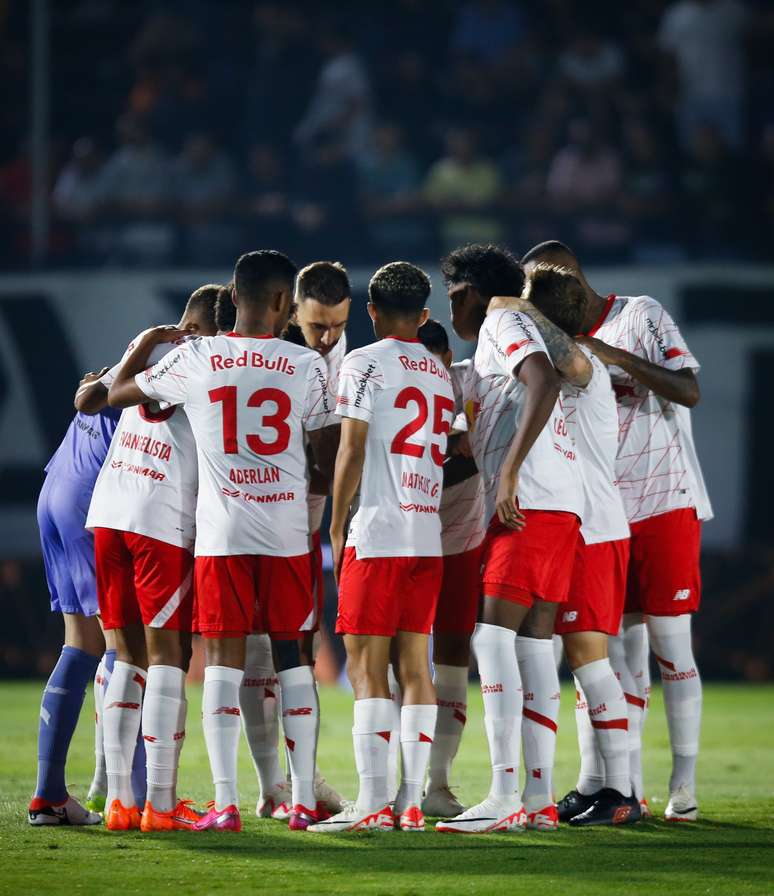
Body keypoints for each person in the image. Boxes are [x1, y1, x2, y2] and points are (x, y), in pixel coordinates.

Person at [108, 251, 340, 833]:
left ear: (234, 298)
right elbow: (327, 454)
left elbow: (117, 395)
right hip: (288, 533)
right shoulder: (307, 365)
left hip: (223, 533)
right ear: (287, 304)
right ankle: (302, 801)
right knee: (294, 662)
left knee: (222, 666)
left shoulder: (197, 356)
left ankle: (226, 803)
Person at [521, 240, 712, 822]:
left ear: (572, 280)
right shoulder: (551, 341)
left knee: (670, 646)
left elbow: (689, 391)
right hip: (603, 513)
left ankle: (684, 784)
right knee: (608, 654)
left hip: (663, 499)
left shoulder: (641, 313)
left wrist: (617, 358)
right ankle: (606, 783)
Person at [436, 244, 583, 834]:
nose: (451, 310)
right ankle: (540, 800)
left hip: (532, 499)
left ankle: (501, 795)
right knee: (531, 648)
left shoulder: (501, 319)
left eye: (452, 297)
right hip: (558, 502)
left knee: (491, 640)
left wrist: (513, 471)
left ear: (470, 290)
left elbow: (543, 378)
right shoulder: (491, 344)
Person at [490, 265, 639, 826]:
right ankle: (594, 785)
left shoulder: (586, 369)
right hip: (576, 527)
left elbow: (569, 357)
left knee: (588, 660)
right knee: (571, 661)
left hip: (597, 529)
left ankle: (622, 791)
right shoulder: (558, 369)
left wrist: (520, 311)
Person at [309, 262, 455, 833]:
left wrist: (337, 522)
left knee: (367, 669)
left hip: (379, 530)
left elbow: (351, 448)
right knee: (415, 668)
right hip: (426, 537)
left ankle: (370, 804)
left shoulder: (363, 362)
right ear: (424, 316)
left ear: (370, 311)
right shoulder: (441, 376)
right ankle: (409, 800)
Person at [85, 285, 220, 831]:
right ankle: (160, 804)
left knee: (126, 656)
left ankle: (120, 801)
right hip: (162, 522)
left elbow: (88, 400)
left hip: (110, 512)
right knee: (169, 657)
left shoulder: (145, 367)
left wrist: (142, 342)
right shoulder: (207, 366)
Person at [240, 261, 350, 821]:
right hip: (256, 523)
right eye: (317, 327)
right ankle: (276, 786)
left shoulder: (335, 350)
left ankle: (292, 782)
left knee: (292, 654)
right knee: (261, 653)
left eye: (337, 326)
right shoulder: (273, 355)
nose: (328, 338)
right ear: (292, 310)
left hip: (300, 526)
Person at [28, 380, 121, 826]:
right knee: (126, 648)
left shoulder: (137, 354)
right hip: (89, 502)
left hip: (55, 492)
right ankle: (131, 795)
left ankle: (48, 797)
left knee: (82, 644)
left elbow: (87, 393)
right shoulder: (181, 364)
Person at [416, 319, 485, 819]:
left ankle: (437, 783)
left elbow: (481, 449)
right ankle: (399, 782)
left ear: (445, 358)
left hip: (462, 539)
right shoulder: (386, 380)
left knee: (455, 652)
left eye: (432, 363)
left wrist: (466, 446)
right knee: (402, 655)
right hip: (406, 538)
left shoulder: (469, 381)